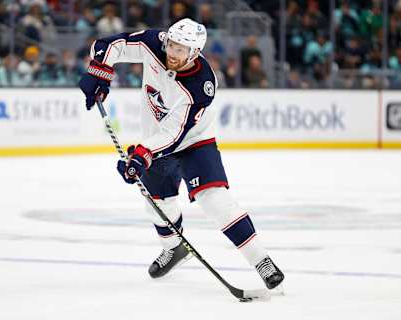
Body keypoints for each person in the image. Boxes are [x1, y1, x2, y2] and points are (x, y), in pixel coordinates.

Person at [78, 18, 284, 290]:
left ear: (195, 53)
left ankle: (261, 261)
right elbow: (111, 45)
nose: (172, 53)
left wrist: (142, 155)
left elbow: (175, 133)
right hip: (156, 141)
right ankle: (174, 248)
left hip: (194, 142)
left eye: (180, 50)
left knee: (216, 201)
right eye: (171, 45)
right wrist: (100, 72)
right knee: (156, 201)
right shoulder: (155, 43)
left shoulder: (202, 84)